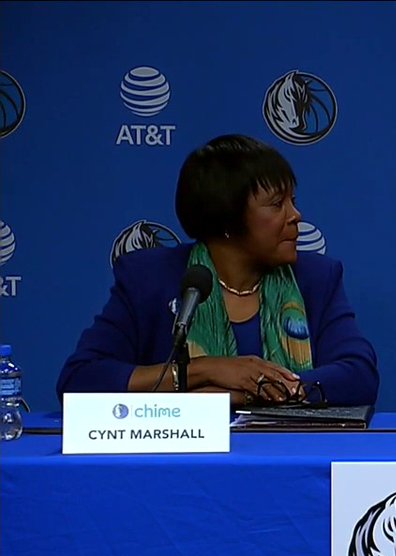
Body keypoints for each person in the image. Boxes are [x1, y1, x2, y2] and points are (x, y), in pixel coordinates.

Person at [57, 134, 379, 408]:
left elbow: (359, 374)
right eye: (277, 204)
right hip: (182, 455)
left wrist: (256, 391)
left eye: (292, 201)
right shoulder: (150, 279)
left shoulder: (316, 277)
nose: (296, 215)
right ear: (227, 218)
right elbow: (80, 380)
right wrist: (204, 370)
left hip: (292, 451)